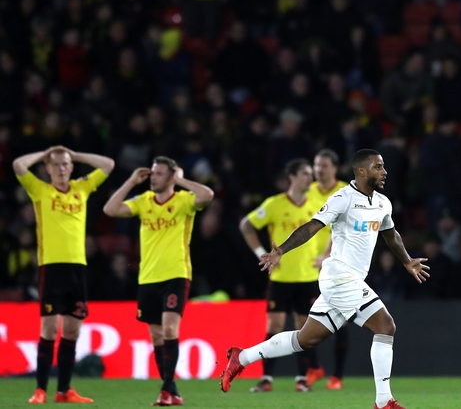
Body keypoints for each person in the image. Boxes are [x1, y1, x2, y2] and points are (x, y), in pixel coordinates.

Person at [221, 149, 429, 409]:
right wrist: (280, 251)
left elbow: (391, 233)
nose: (384, 172)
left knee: (304, 340)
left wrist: (407, 260)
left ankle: (242, 356)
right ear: (362, 171)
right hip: (339, 277)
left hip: (349, 280)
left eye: (383, 167)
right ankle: (384, 401)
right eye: (378, 167)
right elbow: (312, 226)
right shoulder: (343, 198)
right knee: (386, 326)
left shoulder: (382, 203)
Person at [103, 156, 214, 406]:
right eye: (153, 173)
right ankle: (171, 390)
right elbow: (110, 210)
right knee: (156, 336)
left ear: (171, 177)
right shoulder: (144, 202)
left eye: (160, 174)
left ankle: (166, 389)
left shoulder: (184, 201)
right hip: (148, 277)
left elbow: (207, 195)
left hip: (176, 274)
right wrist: (131, 182)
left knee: (169, 329)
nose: (154, 177)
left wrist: (183, 179)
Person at [14, 146, 115, 404]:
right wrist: (46, 152)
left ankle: (64, 391)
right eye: (55, 164)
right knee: (49, 329)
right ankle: (40, 390)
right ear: (48, 169)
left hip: (77, 268)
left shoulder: (81, 189)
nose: (61, 168)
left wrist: (76, 155)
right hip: (51, 266)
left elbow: (108, 164)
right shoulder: (40, 191)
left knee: (72, 331)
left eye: (65, 164)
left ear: (71, 168)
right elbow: (18, 165)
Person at [238, 158, 324, 393]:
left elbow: (336, 230)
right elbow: (246, 224)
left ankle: (301, 379)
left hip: (308, 277)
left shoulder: (317, 203)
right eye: (306, 174)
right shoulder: (274, 204)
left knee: (304, 329)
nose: (311, 178)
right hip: (281, 278)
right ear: (292, 177)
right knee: (274, 326)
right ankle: (266, 378)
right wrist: (260, 253)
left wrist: (327, 254)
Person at [306, 148, 350, 390]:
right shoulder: (309, 192)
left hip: (337, 265)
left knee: (340, 321)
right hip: (308, 268)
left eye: (323, 165)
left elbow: (342, 226)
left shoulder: (345, 191)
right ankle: (314, 367)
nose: (318, 170)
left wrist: (326, 254)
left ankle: (337, 376)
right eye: (316, 165)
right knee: (305, 318)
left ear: (334, 167)